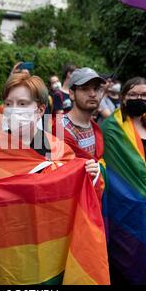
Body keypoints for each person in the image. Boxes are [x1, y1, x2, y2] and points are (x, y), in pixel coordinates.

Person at [0, 72, 109, 285]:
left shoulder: (59, 149)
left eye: (23, 103)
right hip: (7, 254)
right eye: (9, 103)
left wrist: (91, 175)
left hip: (50, 253)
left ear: (40, 109)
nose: (14, 109)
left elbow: (77, 198)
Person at [101, 77, 146, 285]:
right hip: (123, 202)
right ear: (123, 98)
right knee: (124, 249)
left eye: (144, 95)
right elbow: (106, 165)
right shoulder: (112, 127)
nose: (139, 99)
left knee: (144, 245)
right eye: (133, 95)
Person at [53, 68, 107, 202]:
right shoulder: (59, 129)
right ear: (72, 93)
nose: (93, 94)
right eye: (85, 89)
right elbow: (56, 176)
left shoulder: (94, 126)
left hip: (92, 200)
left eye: (96, 88)